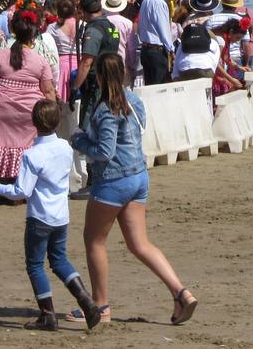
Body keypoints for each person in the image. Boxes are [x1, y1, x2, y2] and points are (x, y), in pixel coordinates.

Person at [70, 54, 197, 327]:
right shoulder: (135, 100)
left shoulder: (105, 108)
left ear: (101, 77)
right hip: (139, 176)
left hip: (113, 181)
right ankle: (180, 292)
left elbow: (104, 151)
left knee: (94, 241)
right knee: (140, 244)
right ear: (124, 74)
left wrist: (79, 141)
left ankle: (101, 306)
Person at [0, 99, 101, 331]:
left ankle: (48, 314)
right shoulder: (65, 147)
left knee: (35, 265)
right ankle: (87, 301)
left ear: (33, 122)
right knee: (59, 260)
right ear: (57, 121)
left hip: (40, 217)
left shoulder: (32, 155)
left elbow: (20, 192)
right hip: (61, 216)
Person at [0, 8, 57, 181]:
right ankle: (22, 180)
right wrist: (54, 113)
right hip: (28, 113)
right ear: (33, 35)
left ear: (13, 31)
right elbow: (48, 91)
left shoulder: (0, 55)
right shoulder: (40, 60)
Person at [136, 0, 180, 85]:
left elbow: (140, 24)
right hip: (157, 51)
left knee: (149, 86)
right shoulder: (161, 4)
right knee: (158, 88)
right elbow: (164, 30)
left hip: (145, 49)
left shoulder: (146, 1)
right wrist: (171, 50)